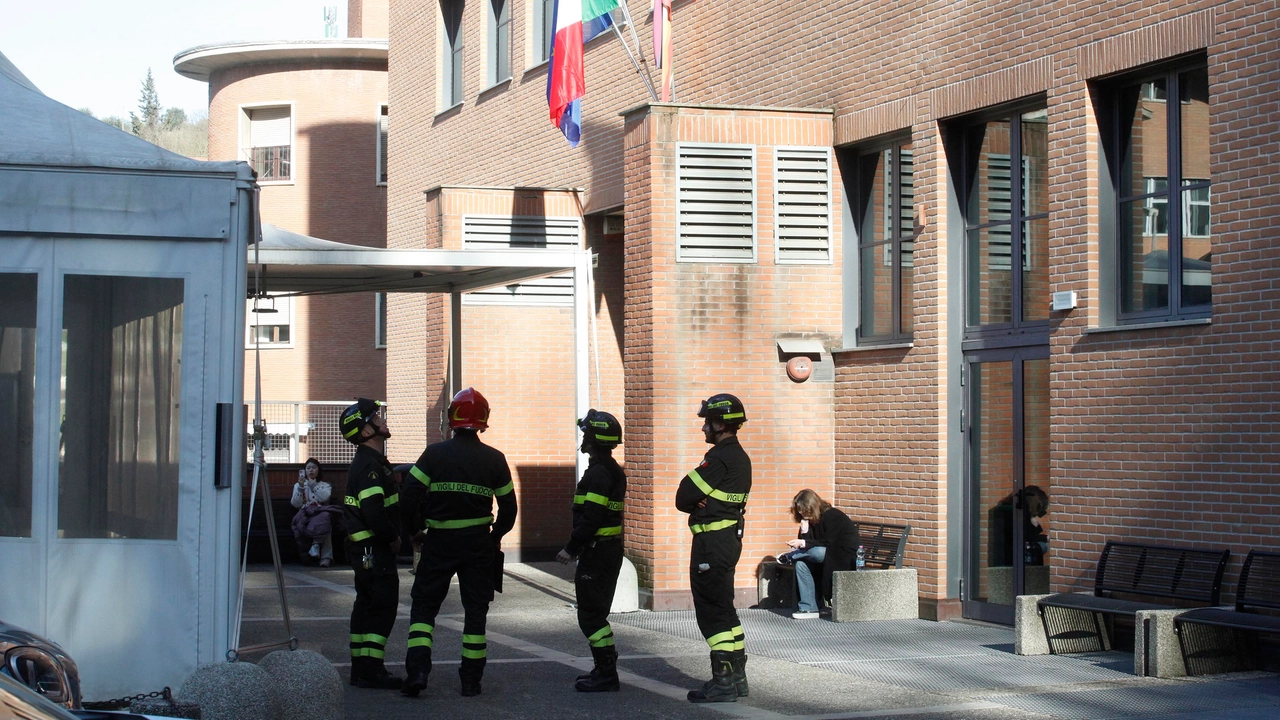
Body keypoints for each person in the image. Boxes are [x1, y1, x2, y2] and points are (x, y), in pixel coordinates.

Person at [400, 387, 517, 699]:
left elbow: (408, 497)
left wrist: (414, 532)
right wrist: (494, 539)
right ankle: (470, 681)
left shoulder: (434, 455)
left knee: (424, 609)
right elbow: (509, 509)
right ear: (483, 421)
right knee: (476, 613)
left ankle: (418, 672)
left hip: (438, 542)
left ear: (451, 419)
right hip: (478, 545)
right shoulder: (495, 459)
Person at [675, 393, 752, 704]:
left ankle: (722, 682)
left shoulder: (719, 458)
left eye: (707, 422)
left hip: (711, 544)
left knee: (711, 613)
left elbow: (682, 496)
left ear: (720, 424)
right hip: (727, 543)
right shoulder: (740, 457)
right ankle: (736, 679)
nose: (704, 428)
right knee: (725, 610)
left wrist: (699, 501)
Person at [556, 409, 626, 693]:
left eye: (586, 434)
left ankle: (607, 673)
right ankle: (604, 668)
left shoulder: (599, 473)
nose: (583, 438)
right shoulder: (608, 470)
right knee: (595, 613)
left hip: (598, 553)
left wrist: (571, 548)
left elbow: (592, 517)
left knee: (591, 615)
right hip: (605, 552)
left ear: (595, 439)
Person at [339, 398, 403, 689]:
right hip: (374, 550)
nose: (382, 420)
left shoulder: (370, 463)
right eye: (375, 417)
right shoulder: (369, 466)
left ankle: (361, 669)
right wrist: (392, 538)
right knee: (382, 605)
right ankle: (372, 670)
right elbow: (374, 512)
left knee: (366, 605)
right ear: (366, 432)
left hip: (365, 551)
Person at [780, 489, 860, 619]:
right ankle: (809, 608)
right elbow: (810, 542)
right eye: (799, 510)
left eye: (804, 509)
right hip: (826, 554)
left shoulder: (832, 515)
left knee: (816, 552)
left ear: (812, 506)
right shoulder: (810, 520)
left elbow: (826, 542)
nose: (801, 513)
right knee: (801, 564)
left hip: (842, 555)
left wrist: (803, 543)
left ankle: (790, 557)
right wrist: (804, 531)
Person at [290, 458, 339, 567]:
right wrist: (300, 489)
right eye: (308, 468)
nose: (311, 470)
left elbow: (324, 497)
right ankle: (315, 548)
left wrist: (313, 486)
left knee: (325, 520)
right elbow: (295, 504)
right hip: (305, 516)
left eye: (313, 468)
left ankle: (324, 555)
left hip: (320, 515)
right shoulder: (298, 486)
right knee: (324, 520)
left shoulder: (325, 485)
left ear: (318, 470)